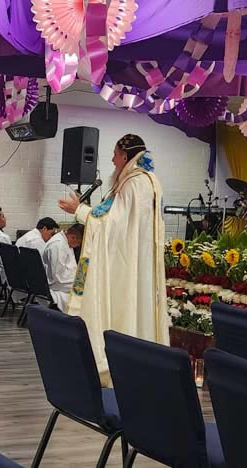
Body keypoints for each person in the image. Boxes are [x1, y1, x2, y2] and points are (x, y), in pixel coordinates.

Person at [57, 134, 169, 386]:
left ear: (125, 156)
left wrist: (79, 210)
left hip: (125, 265)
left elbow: (110, 225)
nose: (112, 160)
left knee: (123, 307)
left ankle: (118, 363)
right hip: (137, 262)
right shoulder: (148, 181)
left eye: (115, 154)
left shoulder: (134, 184)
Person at [43, 223, 83, 312]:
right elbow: (58, 276)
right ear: (73, 237)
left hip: (62, 280)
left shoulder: (65, 241)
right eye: (79, 243)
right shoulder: (58, 246)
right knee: (87, 288)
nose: (78, 246)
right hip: (55, 283)